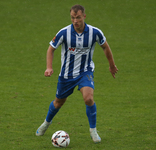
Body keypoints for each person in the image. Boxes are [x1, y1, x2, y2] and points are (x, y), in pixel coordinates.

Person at [36, 4, 118, 143]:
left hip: (85, 72)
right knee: (58, 102)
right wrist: (49, 67)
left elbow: (105, 47)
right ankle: (46, 123)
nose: (75, 21)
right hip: (66, 75)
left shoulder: (95, 32)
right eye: (73, 18)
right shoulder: (64, 33)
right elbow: (51, 49)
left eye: (78, 17)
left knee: (88, 98)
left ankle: (93, 131)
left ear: (84, 16)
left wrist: (111, 65)